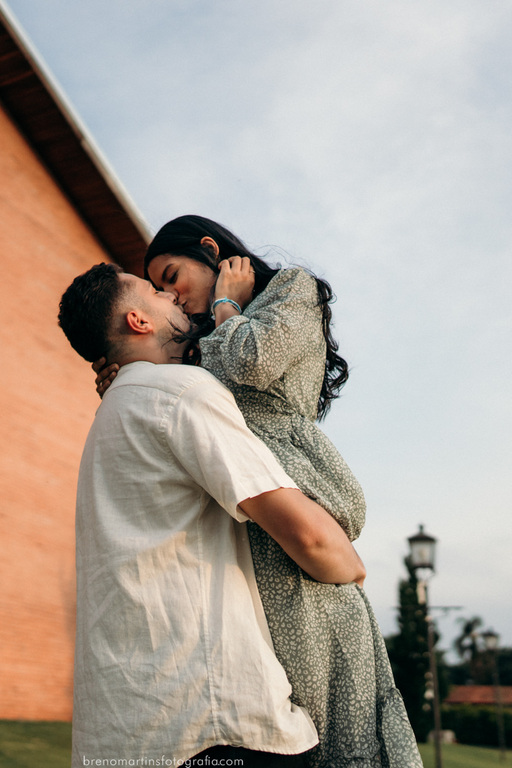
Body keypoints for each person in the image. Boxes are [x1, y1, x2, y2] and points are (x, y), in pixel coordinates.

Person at [93, 216, 421, 768]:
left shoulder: (292, 290)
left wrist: (226, 303)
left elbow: (253, 360)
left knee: (339, 732)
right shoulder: (195, 343)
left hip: (296, 534)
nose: (171, 294)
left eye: (172, 276)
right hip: (241, 554)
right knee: (277, 728)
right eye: (159, 288)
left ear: (210, 250)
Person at [58, 263, 369, 768]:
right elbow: (310, 539)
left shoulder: (114, 413)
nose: (172, 297)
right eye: (156, 291)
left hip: (120, 735)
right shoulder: (178, 395)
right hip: (211, 723)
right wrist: (352, 568)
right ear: (139, 321)